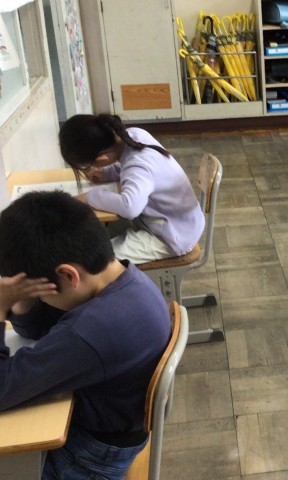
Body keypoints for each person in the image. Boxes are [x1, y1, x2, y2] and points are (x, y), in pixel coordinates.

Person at [0, 191, 171, 479]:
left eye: (41, 293)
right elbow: (39, 329)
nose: (41, 299)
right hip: (117, 432)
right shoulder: (124, 278)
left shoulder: (91, 330)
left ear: (68, 276)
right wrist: (19, 299)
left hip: (91, 457)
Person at [59, 113, 205, 264]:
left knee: (99, 261)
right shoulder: (133, 135)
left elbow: (130, 207)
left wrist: (90, 197)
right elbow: (134, 168)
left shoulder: (138, 165)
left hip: (172, 235)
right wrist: (108, 173)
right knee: (96, 238)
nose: (92, 168)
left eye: (90, 165)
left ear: (102, 159)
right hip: (176, 221)